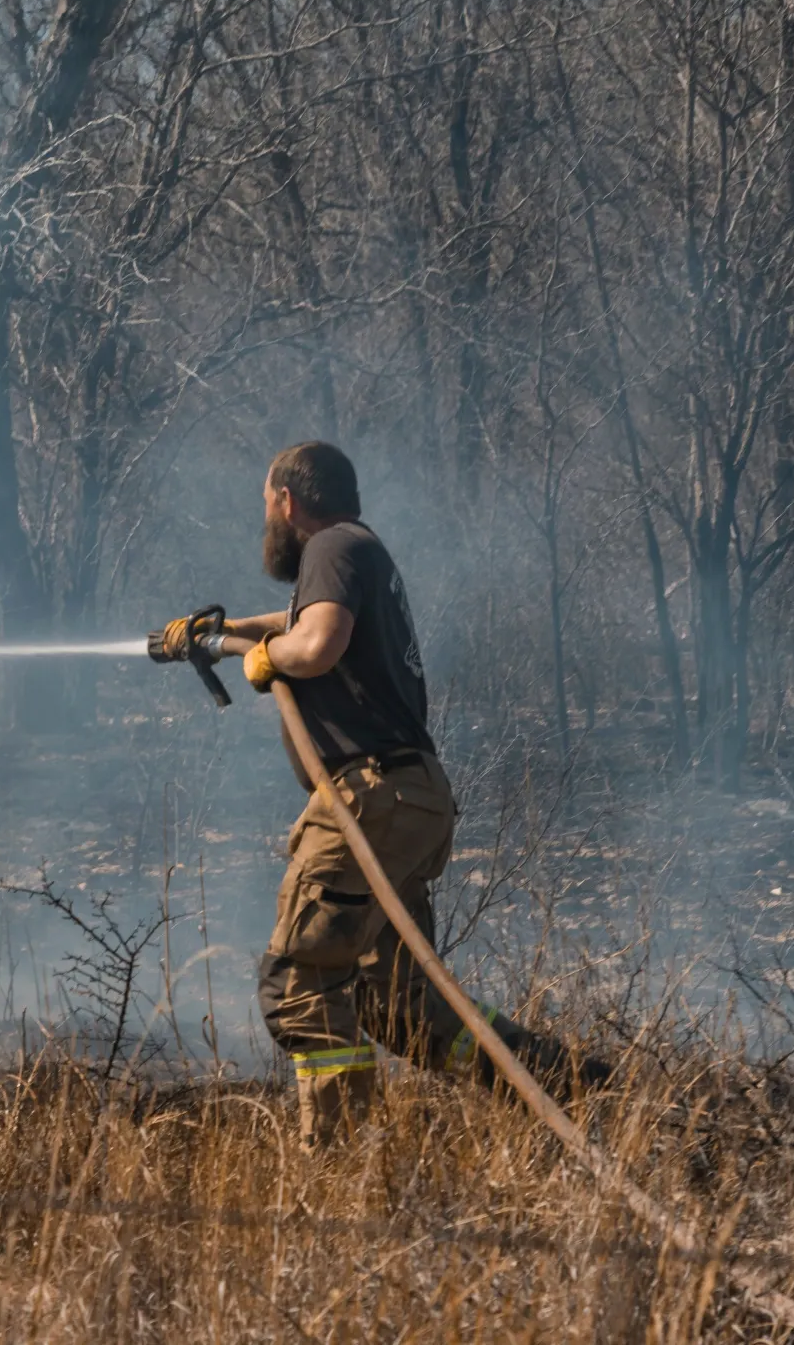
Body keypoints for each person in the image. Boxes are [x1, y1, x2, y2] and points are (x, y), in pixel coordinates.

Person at [156, 442, 604, 1148]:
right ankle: (568, 1084)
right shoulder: (358, 550)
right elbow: (298, 622)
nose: (266, 517)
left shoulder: (329, 547)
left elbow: (316, 643)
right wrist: (223, 634)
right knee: (402, 1008)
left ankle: (341, 1164)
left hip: (369, 796)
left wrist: (261, 658)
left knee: (300, 979)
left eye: (265, 504)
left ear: (286, 500)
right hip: (413, 798)